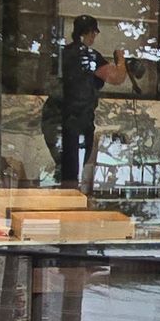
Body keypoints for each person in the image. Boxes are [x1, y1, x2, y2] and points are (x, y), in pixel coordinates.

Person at [53, 15, 124, 191]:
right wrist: (121, 59)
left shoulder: (62, 54)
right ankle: (74, 196)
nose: (94, 37)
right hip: (81, 118)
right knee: (80, 165)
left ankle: (68, 193)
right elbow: (117, 78)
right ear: (90, 33)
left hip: (59, 117)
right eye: (94, 33)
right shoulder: (90, 56)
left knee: (67, 165)